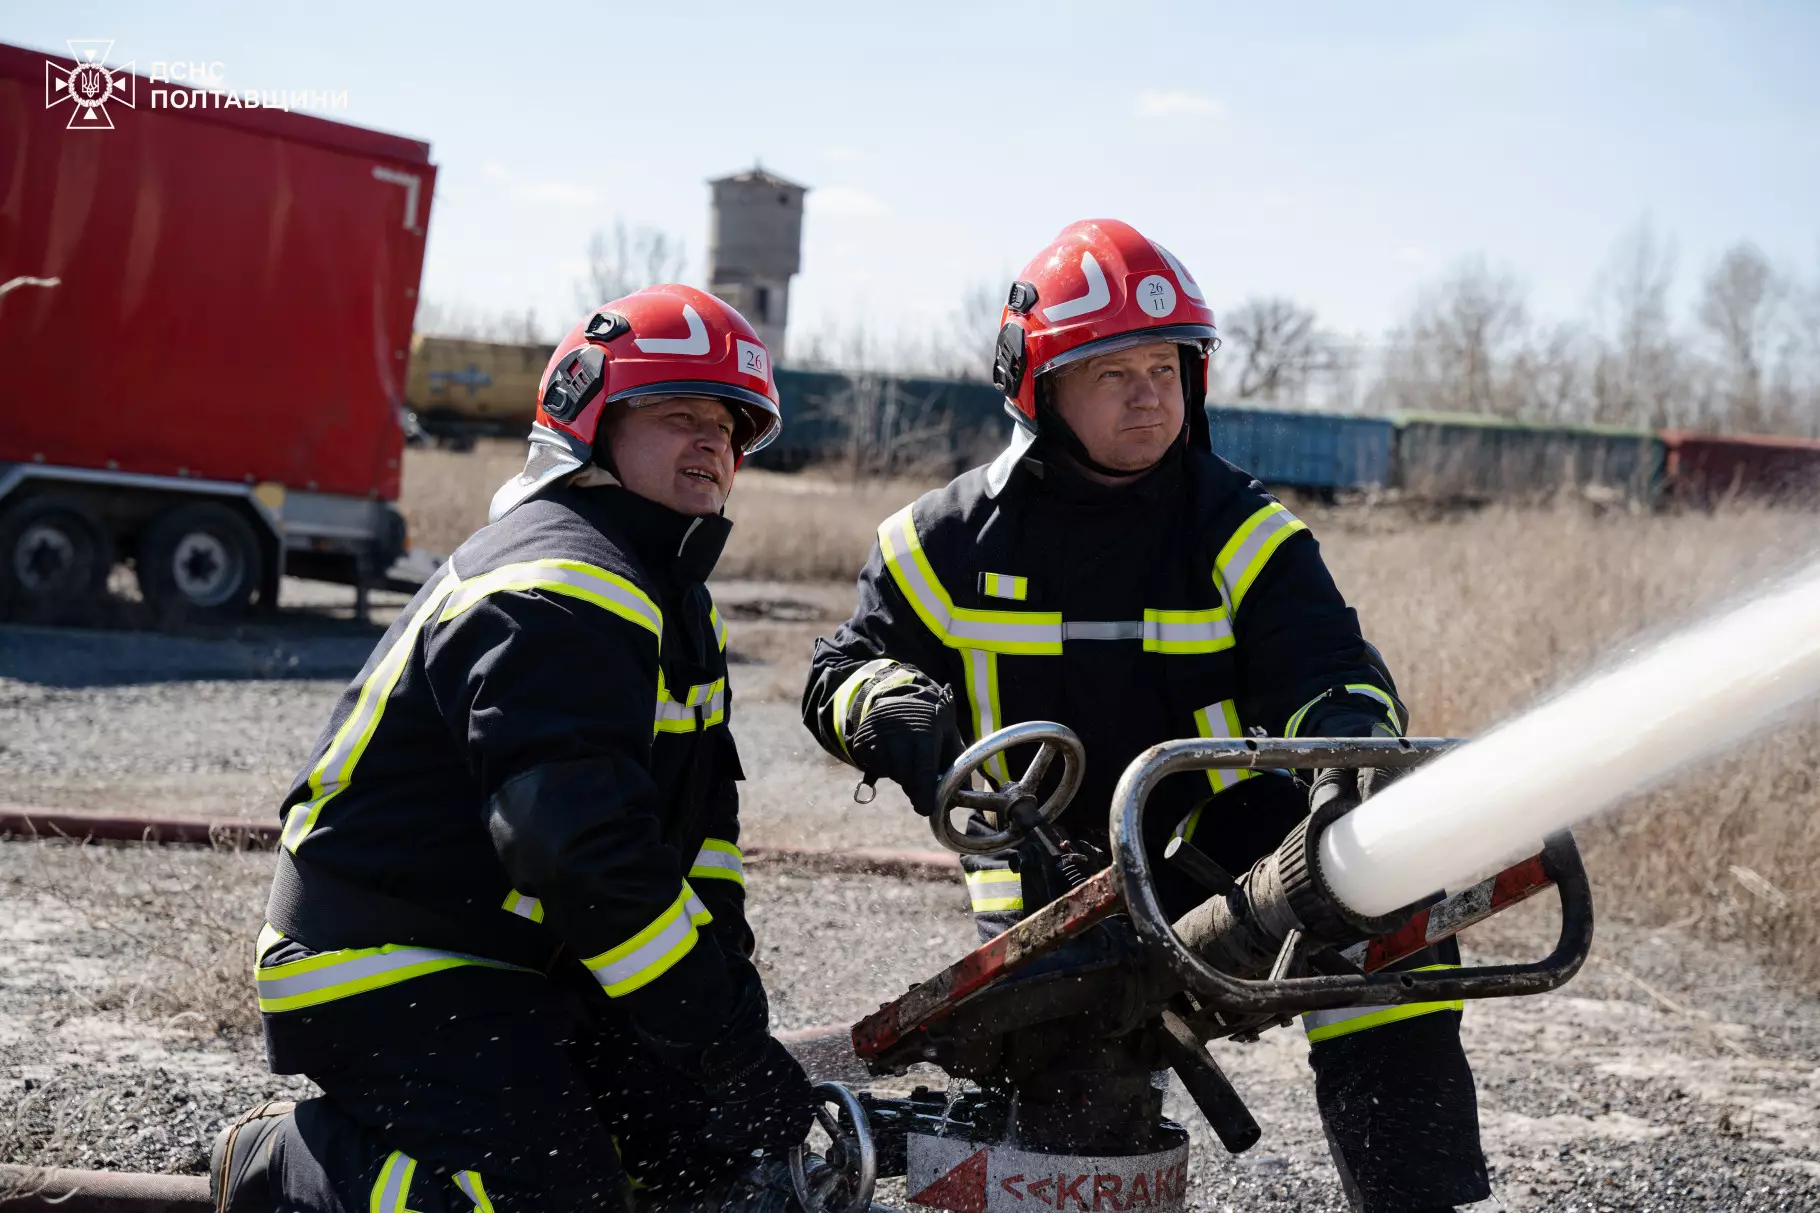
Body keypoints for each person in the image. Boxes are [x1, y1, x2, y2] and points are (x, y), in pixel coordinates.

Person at [801, 221, 1490, 1213]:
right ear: (1039, 388)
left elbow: (1331, 667)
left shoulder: (1240, 528)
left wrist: (1349, 767)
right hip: (1047, 898)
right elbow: (838, 670)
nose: (1150, 395)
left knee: (1387, 903)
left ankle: (1415, 1198)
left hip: (1222, 862)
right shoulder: (937, 543)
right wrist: (882, 706)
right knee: (1080, 1123)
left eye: (1167, 367)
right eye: (1113, 372)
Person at [213, 286, 813, 1213]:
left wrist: (727, 1025)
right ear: (589, 419)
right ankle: (288, 1163)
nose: (713, 444)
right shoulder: (556, 580)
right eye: (679, 415)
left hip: (529, 959)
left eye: (731, 428)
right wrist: (718, 1043)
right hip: (385, 957)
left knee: (692, 1151)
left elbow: (699, 844)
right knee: (554, 1196)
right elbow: (577, 849)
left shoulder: (672, 599)